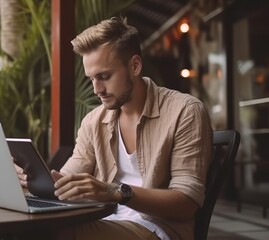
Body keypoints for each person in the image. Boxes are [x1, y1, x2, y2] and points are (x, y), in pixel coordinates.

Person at [16, 16, 213, 240]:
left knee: (56, 232)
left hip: (157, 229)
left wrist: (115, 192)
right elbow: (66, 180)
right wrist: (30, 178)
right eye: (91, 79)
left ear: (135, 65)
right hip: (103, 222)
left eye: (104, 76)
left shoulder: (184, 111)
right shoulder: (93, 121)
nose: (96, 89)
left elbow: (187, 202)